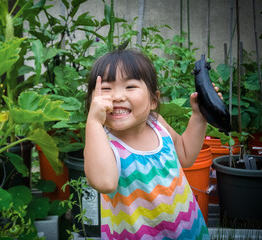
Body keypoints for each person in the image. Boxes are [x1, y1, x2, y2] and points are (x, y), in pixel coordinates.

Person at [84, 49, 213, 239]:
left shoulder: (157, 124)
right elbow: (105, 182)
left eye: (129, 87)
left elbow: (185, 155)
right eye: (106, 89)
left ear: (153, 100)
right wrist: (94, 122)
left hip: (186, 229)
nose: (117, 96)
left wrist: (199, 116)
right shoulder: (104, 143)